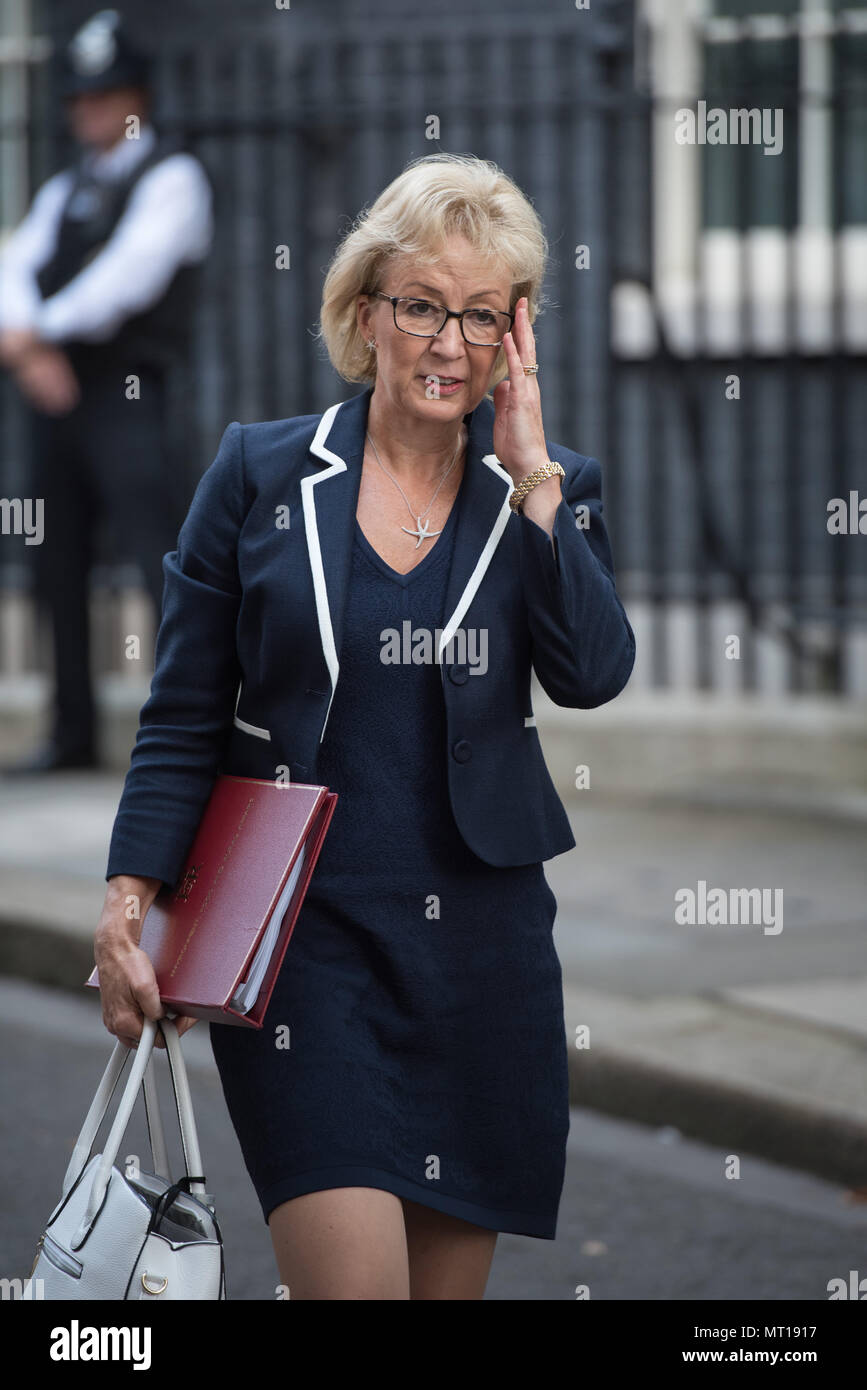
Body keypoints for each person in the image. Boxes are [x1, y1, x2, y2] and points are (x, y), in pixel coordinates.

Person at [93, 153, 636, 1300]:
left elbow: (593, 674)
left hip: (481, 964)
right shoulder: (261, 472)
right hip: (304, 955)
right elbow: (185, 712)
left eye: (480, 316)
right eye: (422, 306)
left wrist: (532, 477)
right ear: (366, 309)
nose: (448, 343)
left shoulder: (547, 486)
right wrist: (128, 903)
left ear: (514, 337)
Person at [0, 9, 213, 773]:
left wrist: (32, 337)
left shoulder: (174, 179)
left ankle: (186, 741)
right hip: (56, 399)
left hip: (130, 399)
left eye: (101, 96)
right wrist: (31, 351)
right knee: (54, 562)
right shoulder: (65, 189)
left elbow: (123, 283)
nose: (85, 112)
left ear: (137, 99)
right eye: (78, 99)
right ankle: (71, 732)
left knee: (161, 559)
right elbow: (11, 268)